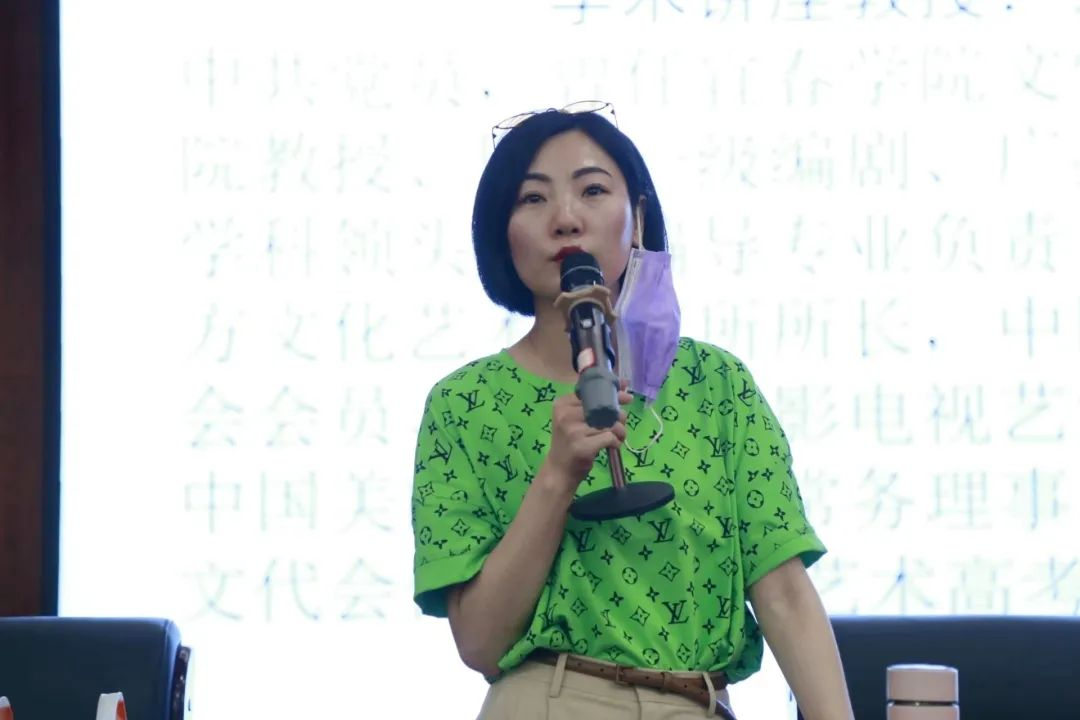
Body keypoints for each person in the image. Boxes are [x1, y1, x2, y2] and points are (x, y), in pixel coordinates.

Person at [410, 102, 854, 719]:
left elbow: (783, 591)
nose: (566, 218)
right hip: (550, 701)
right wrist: (558, 475)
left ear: (638, 218)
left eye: (592, 190)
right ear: (500, 233)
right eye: (533, 199)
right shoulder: (464, 404)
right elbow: (481, 643)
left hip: (698, 702)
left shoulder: (715, 382)